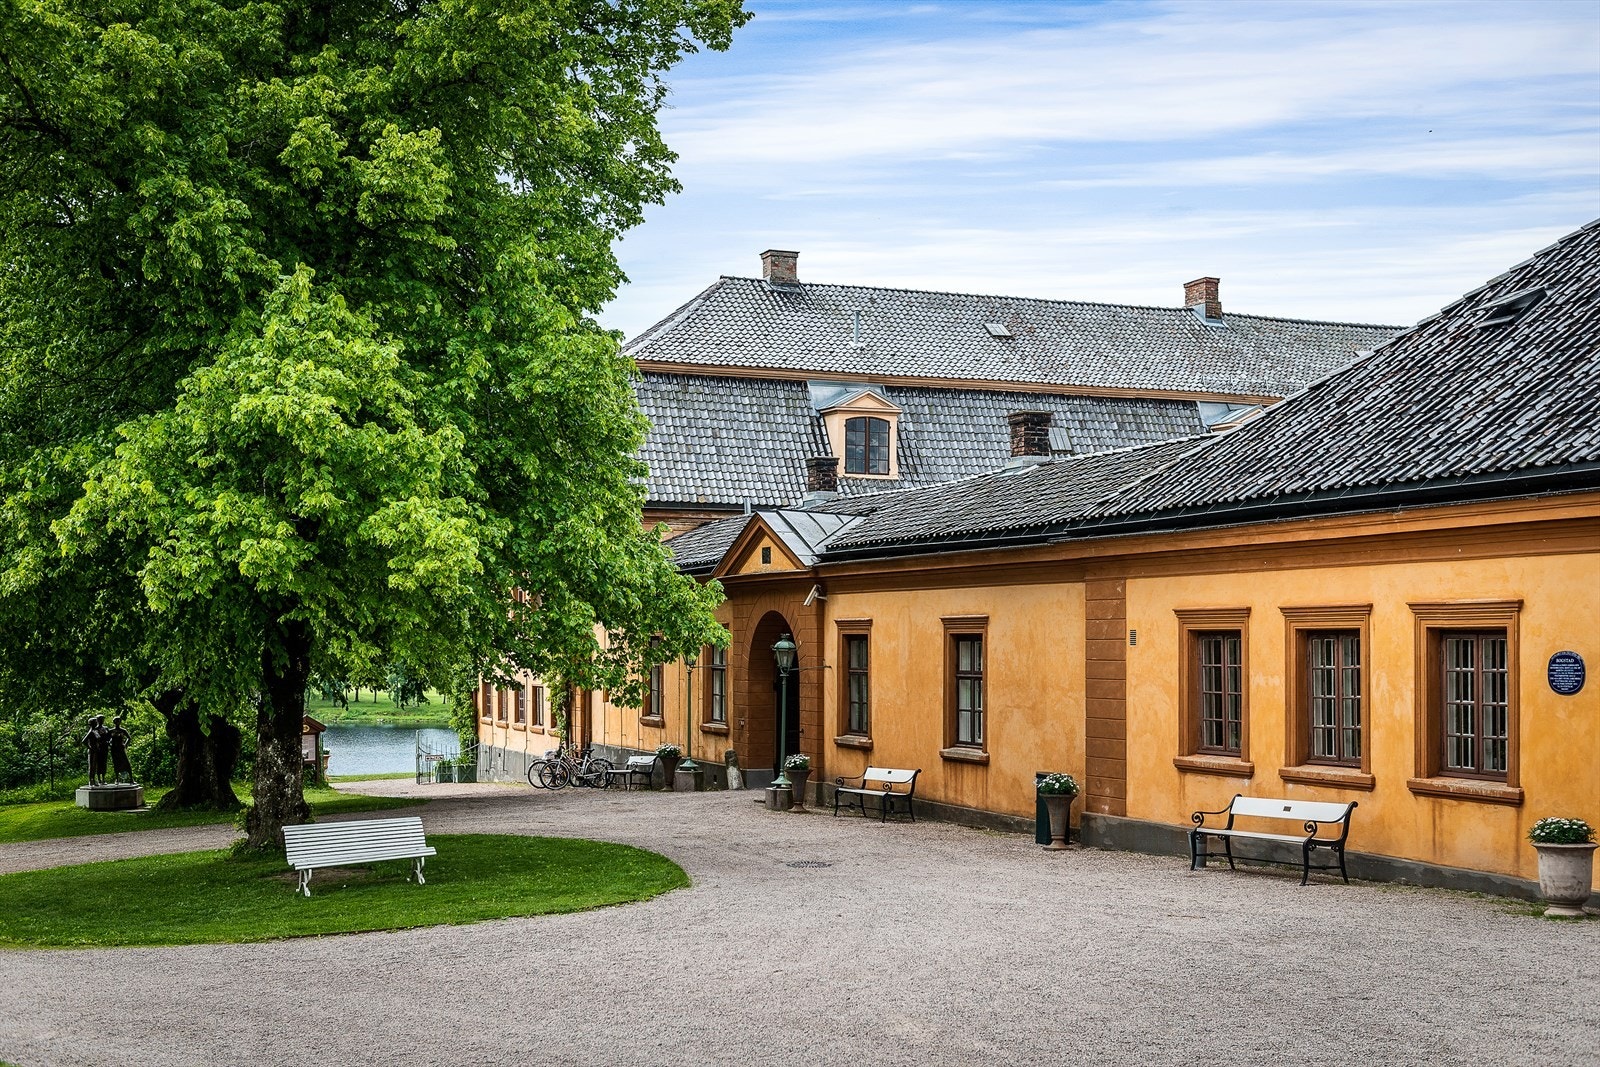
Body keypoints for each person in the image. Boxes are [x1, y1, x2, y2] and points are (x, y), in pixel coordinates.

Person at [81, 715, 109, 786]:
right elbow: (84, 741)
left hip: (97, 750)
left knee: (95, 766)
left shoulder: (95, 731)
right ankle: (91, 780)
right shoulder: (91, 732)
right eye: (95, 722)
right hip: (92, 751)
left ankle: (94, 780)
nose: (97, 723)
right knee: (92, 766)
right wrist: (90, 747)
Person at [108, 713, 134, 784]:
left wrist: (125, 744)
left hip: (121, 748)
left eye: (119, 721)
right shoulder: (111, 731)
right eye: (116, 721)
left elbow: (129, 738)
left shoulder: (123, 730)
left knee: (126, 763)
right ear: (114, 722)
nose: (117, 722)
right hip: (114, 749)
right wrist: (110, 744)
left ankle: (131, 778)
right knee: (116, 763)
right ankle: (117, 779)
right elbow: (106, 739)